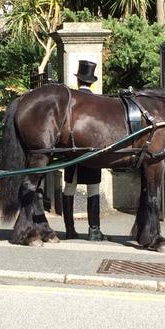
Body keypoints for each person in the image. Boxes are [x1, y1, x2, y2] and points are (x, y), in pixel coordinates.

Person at [63, 60, 106, 241]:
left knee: (69, 188)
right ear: (92, 82)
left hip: (73, 149)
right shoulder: (98, 102)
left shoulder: (71, 101)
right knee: (93, 188)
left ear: (78, 81)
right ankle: (94, 230)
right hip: (92, 151)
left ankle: (70, 229)